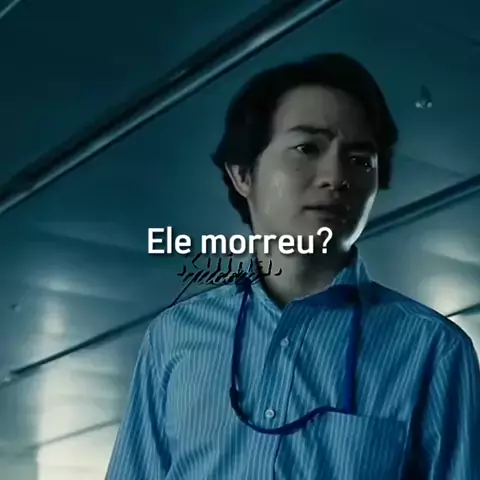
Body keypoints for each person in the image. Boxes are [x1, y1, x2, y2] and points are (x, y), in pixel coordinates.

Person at [106, 53, 480, 479]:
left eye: (361, 159)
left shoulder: (432, 350)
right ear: (243, 174)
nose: (336, 176)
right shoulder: (174, 338)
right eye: (307, 148)